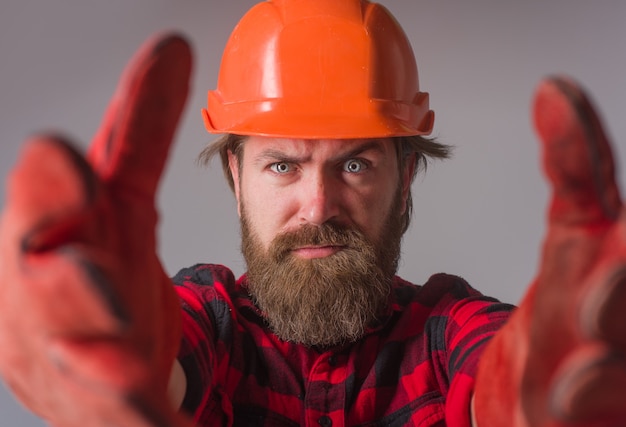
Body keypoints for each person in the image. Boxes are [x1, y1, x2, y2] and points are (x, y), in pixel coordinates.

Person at [0, 0, 624, 426]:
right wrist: (120, 373)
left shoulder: (447, 328)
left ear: (405, 179)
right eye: (283, 166)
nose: (319, 205)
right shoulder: (207, 323)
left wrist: (540, 388)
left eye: (355, 165)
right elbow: (160, 366)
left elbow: (503, 372)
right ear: (235, 178)